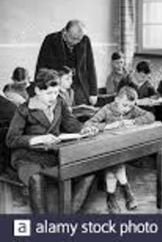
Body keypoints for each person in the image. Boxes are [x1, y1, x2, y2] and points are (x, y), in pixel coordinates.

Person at [6, 69, 95, 214]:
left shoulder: (59, 103)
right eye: (49, 93)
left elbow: (70, 122)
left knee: (88, 172)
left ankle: (66, 220)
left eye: (56, 92)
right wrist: (38, 139)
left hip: (53, 157)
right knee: (36, 178)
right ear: (37, 90)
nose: (53, 97)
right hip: (28, 158)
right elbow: (11, 139)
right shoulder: (24, 109)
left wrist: (83, 129)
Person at [83, 86, 155, 213]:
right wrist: (107, 126)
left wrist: (134, 121)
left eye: (130, 106)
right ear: (116, 99)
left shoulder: (132, 109)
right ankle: (127, 192)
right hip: (106, 148)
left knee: (114, 166)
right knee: (116, 163)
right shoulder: (107, 109)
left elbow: (150, 116)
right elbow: (88, 124)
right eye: (124, 105)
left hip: (123, 148)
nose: (127, 109)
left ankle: (111, 199)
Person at [35, 20, 97, 106]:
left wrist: (93, 92)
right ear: (65, 32)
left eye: (79, 39)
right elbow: (41, 65)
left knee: (82, 111)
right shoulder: (51, 40)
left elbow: (90, 65)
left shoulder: (85, 40)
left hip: (79, 85)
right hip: (57, 85)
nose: (76, 42)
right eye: (73, 38)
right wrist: (40, 88)